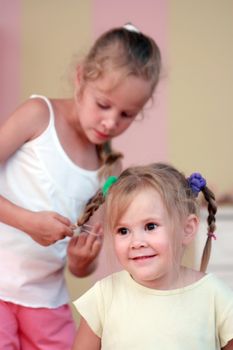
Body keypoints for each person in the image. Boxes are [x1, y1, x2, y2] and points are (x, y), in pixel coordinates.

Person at [0, 23, 161, 349]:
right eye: (104, 105)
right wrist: (27, 222)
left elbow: (80, 265)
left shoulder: (109, 168)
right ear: (80, 78)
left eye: (128, 114)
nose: (111, 123)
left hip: (47, 302)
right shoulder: (37, 117)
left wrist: (81, 260)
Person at [72, 163, 233, 350]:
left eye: (150, 226)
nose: (136, 242)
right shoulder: (102, 297)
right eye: (123, 230)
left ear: (186, 229)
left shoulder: (216, 297)